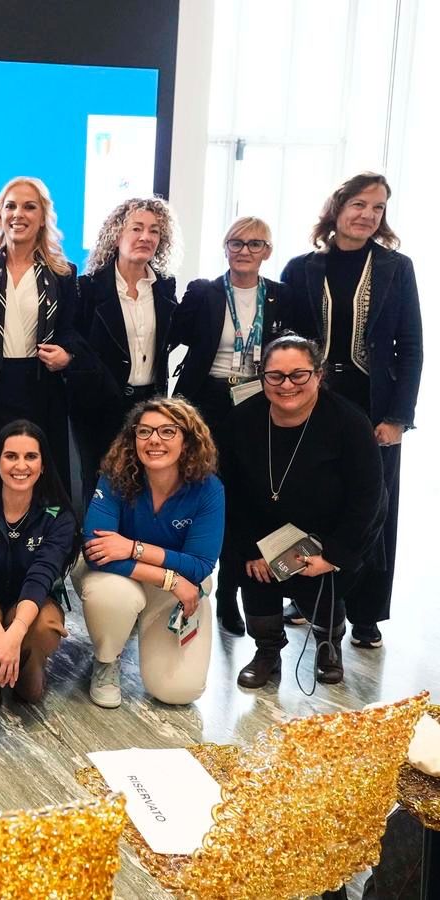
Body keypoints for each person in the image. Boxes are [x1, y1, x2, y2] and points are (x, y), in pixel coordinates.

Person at [281, 173, 421, 651]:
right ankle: (308, 597)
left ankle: (366, 614)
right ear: (338, 207)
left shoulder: (396, 268)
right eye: (359, 204)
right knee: (313, 499)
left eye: (378, 208)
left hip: (374, 405)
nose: (367, 215)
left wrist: (398, 417)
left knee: (375, 507)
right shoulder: (302, 267)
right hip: (313, 402)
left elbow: (411, 347)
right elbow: (286, 341)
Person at [224, 335, 386, 687]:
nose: (287, 385)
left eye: (298, 375)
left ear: (318, 375)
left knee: (322, 588)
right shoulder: (242, 420)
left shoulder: (349, 422)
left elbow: (368, 497)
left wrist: (333, 554)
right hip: (261, 532)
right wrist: (249, 549)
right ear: (262, 377)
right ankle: (267, 652)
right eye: (275, 376)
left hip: (329, 533)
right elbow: (230, 491)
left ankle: (328, 646)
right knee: (256, 576)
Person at [169, 216, 291, 637]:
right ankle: (187, 586)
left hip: (258, 402)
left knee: (244, 497)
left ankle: (229, 595)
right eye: (236, 243)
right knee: (202, 493)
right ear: (225, 248)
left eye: (255, 244)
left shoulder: (281, 296)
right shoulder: (203, 292)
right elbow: (172, 335)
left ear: (267, 251)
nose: (244, 251)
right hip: (206, 402)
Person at [73, 397, 223, 708]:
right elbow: (96, 552)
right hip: (120, 578)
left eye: (168, 431)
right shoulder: (115, 477)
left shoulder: (208, 489)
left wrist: (133, 547)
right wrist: (171, 579)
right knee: (114, 596)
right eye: (144, 431)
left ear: (187, 440)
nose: (154, 440)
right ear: (134, 438)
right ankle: (106, 659)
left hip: (169, 584)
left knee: (179, 692)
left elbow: (199, 566)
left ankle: (143, 623)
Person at [0, 420, 78, 706]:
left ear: (43, 465)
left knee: (31, 686)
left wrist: (16, 633)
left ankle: (27, 667)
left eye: (30, 456)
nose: (21, 465)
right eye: (11, 456)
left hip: (35, 602)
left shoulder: (59, 516)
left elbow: (41, 576)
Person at [71, 198, 181, 507]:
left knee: (145, 487)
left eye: (154, 231)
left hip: (150, 403)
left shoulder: (165, 287)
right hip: (101, 404)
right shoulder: (87, 288)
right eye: (137, 228)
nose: (146, 237)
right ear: (117, 234)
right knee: (100, 488)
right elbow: (77, 347)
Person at [0, 176, 83, 495]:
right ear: (0, 215)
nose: (18, 214)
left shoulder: (64, 273)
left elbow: (71, 331)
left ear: (43, 218)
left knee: (43, 481)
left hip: (41, 386)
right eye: (10, 206)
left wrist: (67, 355)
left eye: (29, 207)